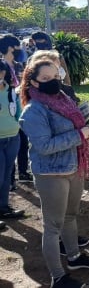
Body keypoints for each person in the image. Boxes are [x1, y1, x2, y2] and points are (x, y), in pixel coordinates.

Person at [19, 60, 89, 288]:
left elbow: (73, 128)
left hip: (73, 166)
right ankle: (58, 277)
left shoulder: (63, 100)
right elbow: (45, 146)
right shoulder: (33, 111)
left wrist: (86, 124)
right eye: (46, 78)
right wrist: (81, 134)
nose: (53, 81)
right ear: (33, 82)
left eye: (55, 75)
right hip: (51, 174)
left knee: (70, 216)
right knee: (53, 226)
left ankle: (74, 258)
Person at [0, 34, 33, 189]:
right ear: (9, 47)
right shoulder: (1, 67)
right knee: (9, 146)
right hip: (7, 110)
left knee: (23, 142)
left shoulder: (19, 65)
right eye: (16, 46)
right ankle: (10, 179)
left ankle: (23, 172)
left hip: (21, 106)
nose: (20, 48)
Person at [0, 60, 25, 228]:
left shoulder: (11, 91)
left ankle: (3, 207)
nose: (0, 75)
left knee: (7, 175)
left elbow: (18, 112)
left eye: (2, 72)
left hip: (13, 137)